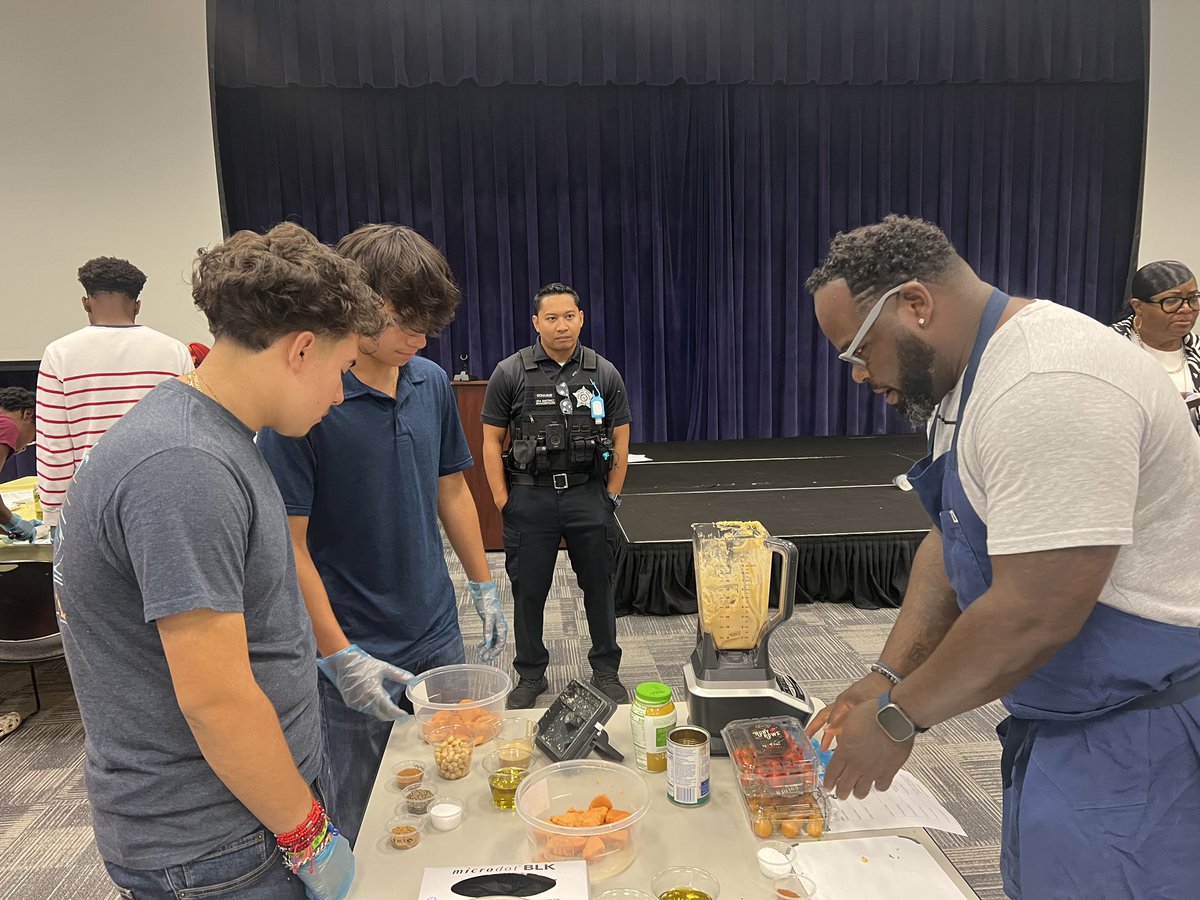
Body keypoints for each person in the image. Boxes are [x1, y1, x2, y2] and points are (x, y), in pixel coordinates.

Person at [803, 215, 1200, 899]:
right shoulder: (967, 384)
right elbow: (953, 538)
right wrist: (887, 673)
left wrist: (898, 716)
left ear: (915, 304)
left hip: (1140, 728)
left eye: (858, 351)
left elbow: (1035, 610)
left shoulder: (1046, 382)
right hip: (1069, 714)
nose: (861, 375)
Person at [55, 222, 389, 900]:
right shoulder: (185, 466)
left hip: (243, 816)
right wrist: (308, 836)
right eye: (343, 370)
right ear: (301, 349)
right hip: (216, 843)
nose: (339, 395)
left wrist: (329, 659)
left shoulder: (210, 433)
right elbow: (215, 699)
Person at [257, 223, 508, 847]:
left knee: (453, 780)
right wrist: (338, 654)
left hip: (435, 626)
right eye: (405, 324)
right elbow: (288, 546)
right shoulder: (308, 403)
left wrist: (483, 586)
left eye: (429, 328)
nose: (418, 341)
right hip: (355, 642)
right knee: (366, 804)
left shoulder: (429, 381)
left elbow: (452, 490)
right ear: (357, 305)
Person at [481, 283, 631, 709]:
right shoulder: (510, 372)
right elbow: (490, 441)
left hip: (588, 495)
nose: (561, 325)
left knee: (599, 587)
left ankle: (606, 669)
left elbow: (621, 435)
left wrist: (611, 496)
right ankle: (530, 674)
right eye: (551, 318)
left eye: (569, 316)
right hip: (531, 498)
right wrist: (503, 500)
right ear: (536, 323)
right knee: (528, 591)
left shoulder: (604, 372)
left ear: (581, 318)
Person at [36, 256, 193, 529]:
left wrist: (54, 514)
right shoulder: (174, 350)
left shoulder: (59, 353)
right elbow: (189, 431)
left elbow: (54, 444)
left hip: (92, 504)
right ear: (137, 306)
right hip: (163, 497)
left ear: (86, 303)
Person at [1110, 259, 1200, 433]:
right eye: (1172, 301)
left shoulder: (1196, 349)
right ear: (1138, 306)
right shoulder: (1109, 347)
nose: (1186, 309)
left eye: (1193, 299)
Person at [0, 387, 39, 542]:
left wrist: (8, 528)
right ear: (27, 415)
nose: (23, 448)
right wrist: (13, 522)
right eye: (33, 436)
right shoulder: (6, 426)